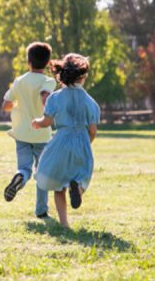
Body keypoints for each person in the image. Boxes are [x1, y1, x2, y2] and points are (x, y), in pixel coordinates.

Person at [32, 53, 100, 228]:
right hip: (82, 142)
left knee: (58, 184)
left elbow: (46, 122)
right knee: (83, 176)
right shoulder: (91, 102)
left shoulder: (55, 97)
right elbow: (93, 130)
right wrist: (86, 142)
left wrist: (37, 122)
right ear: (83, 76)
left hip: (61, 141)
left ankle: (64, 224)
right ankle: (77, 189)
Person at [1, 42, 56, 218]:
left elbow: (6, 105)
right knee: (42, 173)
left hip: (21, 133)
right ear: (47, 63)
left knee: (24, 168)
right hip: (41, 133)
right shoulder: (49, 81)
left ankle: (20, 177)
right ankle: (41, 210)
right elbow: (45, 96)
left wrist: (18, 105)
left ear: (28, 62)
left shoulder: (20, 80)